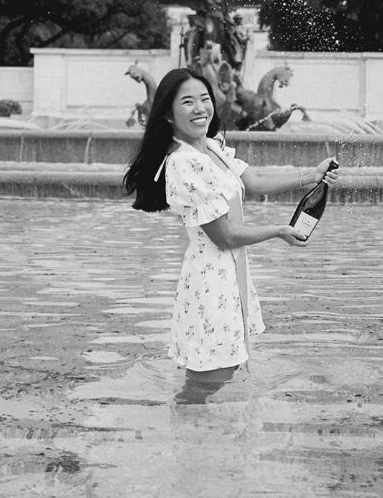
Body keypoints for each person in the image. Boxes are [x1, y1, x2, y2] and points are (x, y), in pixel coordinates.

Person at [123, 68, 339, 399]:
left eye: (205, 99)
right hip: (211, 282)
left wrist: (313, 175)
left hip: (230, 275)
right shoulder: (183, 163)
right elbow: (223, 237)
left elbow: (252, 182)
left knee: (227, 376)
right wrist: (279, 231)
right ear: (168, 113)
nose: (200, 108)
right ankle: (184, 440)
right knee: (205, 386)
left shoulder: (211, 148)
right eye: (188, 102)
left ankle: (212, 445)